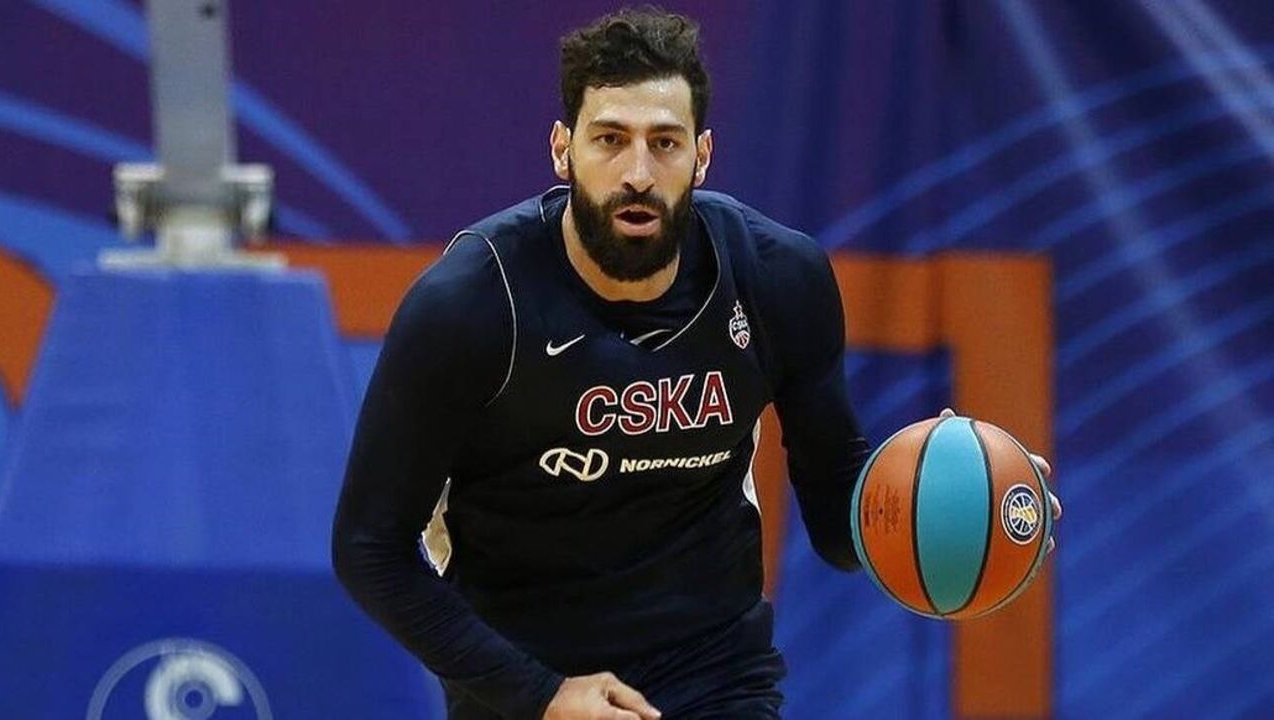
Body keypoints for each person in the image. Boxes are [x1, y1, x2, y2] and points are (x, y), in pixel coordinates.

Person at [332, 7, 1058, 720]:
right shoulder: (472, 303)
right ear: (562, 150)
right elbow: (369, 548)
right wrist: (541, 695)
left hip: (713, 668)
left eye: (665, 143)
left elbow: (841, 528)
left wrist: (948, 500)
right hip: (529, 675)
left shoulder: (777, 278)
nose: (637, 173)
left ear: (701, 157)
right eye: (609, 140)